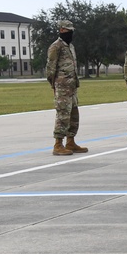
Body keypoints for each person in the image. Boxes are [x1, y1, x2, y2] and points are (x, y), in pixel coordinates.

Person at [45, 20, 88, 156]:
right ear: (61, 30)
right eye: (67, 30)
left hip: (72, 86)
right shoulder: (55, 47)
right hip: (62, 86)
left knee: (74, 115)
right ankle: (58, 144)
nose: (70, 33)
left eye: (71, 30)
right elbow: (51, 68)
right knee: (63, 115)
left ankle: (71, 141)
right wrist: (54, 85)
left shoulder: (71, 46)